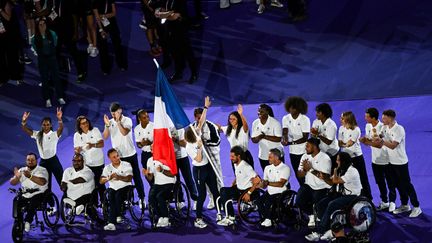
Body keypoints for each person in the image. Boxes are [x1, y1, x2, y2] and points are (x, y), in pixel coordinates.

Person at [305, 152, 362, 241]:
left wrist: (335, 171)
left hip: (353, 196)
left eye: (338, 160)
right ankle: (326, 227)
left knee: (332, 204)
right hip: (342, 194)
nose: (336, 161)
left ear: (343, 161)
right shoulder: (342, 169)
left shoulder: (352, 171)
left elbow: (335, 180)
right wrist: (317, 173)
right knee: (321, 204)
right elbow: (330, 181)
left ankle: (320, 232)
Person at [377, 110, 421, 217]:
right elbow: (380, 136)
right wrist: (377, 135)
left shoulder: (399, 129)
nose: (382, 120)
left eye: (384, 118)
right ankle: (405, 205)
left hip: (401, 162)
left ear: (390, 118)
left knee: (407, 185)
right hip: (391, 162)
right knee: (398, 185)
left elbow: (393, 145)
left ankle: (416, 207)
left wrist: (382, 141)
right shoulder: (385, 127)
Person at [185, 97, 220, 228]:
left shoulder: (197, 133)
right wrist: (199, 147)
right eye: (196, 131)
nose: (198, 129)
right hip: (199, 171)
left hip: (208, 168)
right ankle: (198, 218)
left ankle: (220, 214)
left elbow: (202, 120)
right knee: (202, 195)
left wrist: (206, 107)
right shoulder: (189, 146)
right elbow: (198, 159)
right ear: (191, 135)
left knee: (215, 191)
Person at [103, 102, 145, 205]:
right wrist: (107, 125)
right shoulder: (110, 122)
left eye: (115, 113)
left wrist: (118, 122)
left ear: (120, 110)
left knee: (136, 177)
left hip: (130, 154)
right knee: (123, 179)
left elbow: (124, 132)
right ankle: (126, 199)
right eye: (112, 114)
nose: (113, 116)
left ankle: (142, 199)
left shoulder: (128, 120)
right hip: (118, 157)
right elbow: (105, 136)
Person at [360, 108, 396, 211]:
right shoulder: (367, 126)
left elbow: (379, 145)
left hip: (387, 159)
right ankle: (385, 201)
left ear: (373, 118)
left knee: (390, 182)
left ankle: (392, 201)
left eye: (367, 116)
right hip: (375, 160)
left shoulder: (383, 127)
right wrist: (364, 140)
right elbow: (369, 140)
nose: (365, 118)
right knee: (380, 182)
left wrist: (367, 142)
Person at [21, 108, 64, 191]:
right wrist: (24, 121)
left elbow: (61, 129)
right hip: (43, 162)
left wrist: (59, 119)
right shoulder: (38, 135)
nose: (46, 126)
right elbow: (25, 129)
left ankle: (67, 197)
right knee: (45, 184)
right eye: (44, 125)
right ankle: (49, 200)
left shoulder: (54, 135)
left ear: (51, 125)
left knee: (62, 181)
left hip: (54, 161)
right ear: (41, 125)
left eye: (48, 124)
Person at [156, 0, 198, 84]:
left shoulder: (180, 1)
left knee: (188, 52)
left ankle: (194, 74)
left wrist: (163, 15)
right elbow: (158, 11)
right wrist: (166, 14)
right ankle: (178, 73)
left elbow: (174, 16)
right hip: (170, 29)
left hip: (181, 29)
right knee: (175, 52)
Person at [217, 146, 260, 226]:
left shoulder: (246, 166)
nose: (230, 158)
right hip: (238, 189)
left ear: (238, 156)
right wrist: (233, 184)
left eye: (232, 156)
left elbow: (258, 180)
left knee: (224, 193)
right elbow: (238, 176)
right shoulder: (236, 164)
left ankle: (231, 217)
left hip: (245, 191)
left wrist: (249, 193)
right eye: (230, 156)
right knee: (223, 190)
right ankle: (230, 216)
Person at [192, 101, 223, 209]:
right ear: (195, 118)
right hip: (202, 159)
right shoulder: (192, 128)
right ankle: (211, 199)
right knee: (206, 181)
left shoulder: (211, 126)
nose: (201, 120)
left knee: (218, 179)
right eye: (198, 118)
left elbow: (217, 141)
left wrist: (205, 143)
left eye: (202, 117)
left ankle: (222, 200)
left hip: (213, 157)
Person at [295, 137, 332, 228]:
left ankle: (321, 220)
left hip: (322, 187)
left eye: (307, 146)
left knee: (318, 205)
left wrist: (310, 169)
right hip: (308, 185)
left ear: (314, 147)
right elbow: (299, 175)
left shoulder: (325, 158)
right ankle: (311, 215)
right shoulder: (304, 156)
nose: (305, 148)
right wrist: (304, 169)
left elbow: (326, 178)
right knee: (299, 201)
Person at [10, 152, 49, 232]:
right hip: (25, 194)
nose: (30, 161)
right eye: (28, 160)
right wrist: (17, 178)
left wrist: (30, 176)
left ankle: (28, 221)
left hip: (39, 193)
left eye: (32, 160)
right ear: (26, 161)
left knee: (33, 202)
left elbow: (42, 182)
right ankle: (18, 221)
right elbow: (12, 183)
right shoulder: (22, 170)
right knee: (16, 200)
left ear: (36, 161)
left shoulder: (42, 170)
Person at [31, 17, 65, 107]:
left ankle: (60, 97)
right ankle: (47, 99)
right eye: (40, 25)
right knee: (44, 79)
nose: (42, 26)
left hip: (52, 59)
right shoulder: (34, 38)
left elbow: (55, 44)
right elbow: (35, 48)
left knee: (56, 78)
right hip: (42, 60)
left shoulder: (52, 34)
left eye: (44, 24)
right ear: (37, 26)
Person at [338, 111, 372, 199]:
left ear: (348, 119)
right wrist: (343, 144)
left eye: (342, 118)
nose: (340, 120)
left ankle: (368, 198)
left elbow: (350, 143)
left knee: (362, 178)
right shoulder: (341, 128)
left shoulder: (356, 129)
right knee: (345, 178)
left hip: (356, 157)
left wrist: (343, 144)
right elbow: (340, 142)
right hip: (346, 158)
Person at [73, 116, 105, 206]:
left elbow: (102, 143)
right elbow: (75, 150)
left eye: (86, 122)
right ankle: (94, 205)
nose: (86, 124)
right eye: (83, 123)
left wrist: (92, 145)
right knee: (91, 185)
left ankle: (104, 204)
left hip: (98, 162)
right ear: (79, 126)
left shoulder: (95, 130)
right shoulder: (77, 135)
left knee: (100, 184)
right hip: (87, 164)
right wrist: (77, 150)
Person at [100, 148, 133, 231]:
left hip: (125, 187)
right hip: (113, 188)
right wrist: (108, 178)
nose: (117, 158)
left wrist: (119, 177)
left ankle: (117, 216)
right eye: (114, 157)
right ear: (110, 158)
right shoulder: (107, 168)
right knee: (111, 195)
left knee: (117, 195)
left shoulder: (126, 164)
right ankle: (112, 222)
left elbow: (129, 178)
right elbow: (101, 181)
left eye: (117, 156)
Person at [256, 148, 290, 227]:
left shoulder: (285, 168)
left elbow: (281, 184)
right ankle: (268, 218)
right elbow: (264, 184)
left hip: (281, 192)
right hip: (269, 192)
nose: (268, 159)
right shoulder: (267, 168)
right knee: (258, 201)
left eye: (270, 157)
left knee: (268, 201)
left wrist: (267, 183)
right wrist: (261, 184)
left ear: (277, 157)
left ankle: (269, 218)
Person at [93, 0, 127, 75]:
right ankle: (105, 69)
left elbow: (114, 13)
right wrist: (101, 30)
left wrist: (103, 16)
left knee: (117, 42)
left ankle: (121, 64)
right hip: (101, 24)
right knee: (102, 46)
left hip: (112, 22)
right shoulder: (95, 1)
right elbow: (97, 16)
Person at [282, 96, 310, 186]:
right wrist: (285, 138)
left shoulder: (305, 119)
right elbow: (285, 131)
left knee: (305, 173)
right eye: (290, 107)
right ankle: (303, 190)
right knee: (297, 174)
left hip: (304, 151)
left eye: (294, 108)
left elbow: (305, 138)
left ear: (299, 109)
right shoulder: (285, 118)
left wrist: (291, 143)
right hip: (292, 152)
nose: (291, 109)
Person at [60, 153, 97, 219]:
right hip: (71, 195)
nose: (76, 163)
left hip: (86, 195)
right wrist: (63, 186)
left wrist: (67, 182)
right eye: (74, 161)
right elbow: (63, 185)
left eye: (79, 161)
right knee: (66, 194)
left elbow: (79, 180)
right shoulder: (67, 171)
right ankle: (76, 207)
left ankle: (79, 207)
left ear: (83, 161)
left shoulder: (88, 171)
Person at [143, 156, 176, 228]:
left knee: (159, 196)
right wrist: (147, 175)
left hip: (169, 183)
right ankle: (160, 216)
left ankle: (166, 217)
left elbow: (173, 173)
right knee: (151, 197)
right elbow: (150, 178)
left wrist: (162, 170)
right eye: (152, 149)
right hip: (157, 184)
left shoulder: (168, 158)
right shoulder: (150, 160)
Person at [218, 104, 254, 169]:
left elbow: (245, 125)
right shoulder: (228, 129)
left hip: (244, 155)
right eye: (230, 119)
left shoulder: (243, 129)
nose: (231, 121)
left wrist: (240, 114)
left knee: (249, 176)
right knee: (238, 176)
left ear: (238, 119)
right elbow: (218, 127)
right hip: (234, 157)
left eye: (234, 119)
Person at [251, 103, 283, 171]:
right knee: (267, 177)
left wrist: (264, 136)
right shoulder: (255, 123)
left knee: (280, 177)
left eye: (262, 111)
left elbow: (278, 139)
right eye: (258, 111)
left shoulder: (275, 123)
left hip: (276, 156)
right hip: (263, 156)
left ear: (267, 112)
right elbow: (253, 140)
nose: (259, 113)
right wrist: (259, 137)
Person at [0, 0, 25, 87]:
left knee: (12, 56)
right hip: (1, 34)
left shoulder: (5, 3)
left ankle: (16, 76)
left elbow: (8, 18)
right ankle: (3, 78)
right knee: (1, 58)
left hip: (10, 34)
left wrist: (0, 10)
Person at [171, 127, 199, 204]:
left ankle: (196, 199)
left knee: (188, 179)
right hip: (172, 159)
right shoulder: (165, 127)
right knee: (176, 181)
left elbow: (184, 144)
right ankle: (180, 200)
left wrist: (175, 140)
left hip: (182, 157)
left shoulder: (179, 128)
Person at [311, 103, 339, 169]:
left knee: (332, 174)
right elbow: (313, 137)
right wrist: (313, 134)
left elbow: (328, 142)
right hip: (322, 153)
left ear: (324, 113)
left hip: (332, 153)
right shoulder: (315, 122)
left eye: (318, 112)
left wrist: (317, 134)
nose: (316, 114)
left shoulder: (331, 125)